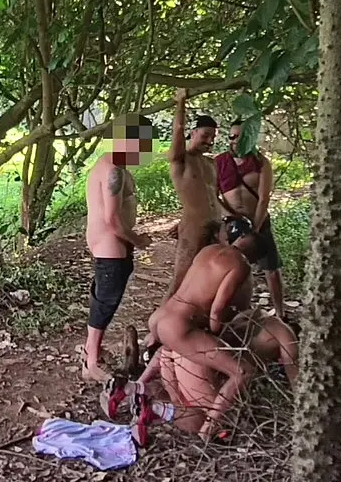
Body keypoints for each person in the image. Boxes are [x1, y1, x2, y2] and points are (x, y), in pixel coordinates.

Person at [107, 218, 264, 440]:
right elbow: (217, 310)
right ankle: (208, 430)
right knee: (242, 371)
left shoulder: (209, 250)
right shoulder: (241, 265)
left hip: (162, 317)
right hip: (179, 325)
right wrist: (216, 334)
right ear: (254, 257)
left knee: (171, 349)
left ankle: (132, 389)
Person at [120, 308, 298, 445]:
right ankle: (157, 410)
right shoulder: (285, 334)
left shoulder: (248, 314)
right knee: (218, 420)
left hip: (175, 352)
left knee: (178, 396)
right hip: (197, 368)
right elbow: (296, 386)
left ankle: (138, 388)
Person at [82, 113, 155, 382]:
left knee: (105, 299)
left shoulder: (114, 165)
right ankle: (91, 362)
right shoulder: (113, 170)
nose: (145, 150)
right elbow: (112, 219)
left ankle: (91, 353)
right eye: (143, 143)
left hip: (111, 243)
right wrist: (138, 240)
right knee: (105, 302)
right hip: (109, 243)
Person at [216, 119, 287, 318]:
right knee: (230, 268)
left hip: (258, 221)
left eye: (240, 136)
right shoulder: (219, 162)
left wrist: (255, 227)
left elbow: (264, 198)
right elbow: (213, 196)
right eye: (231, 136)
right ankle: (230, 312)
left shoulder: (261, 163)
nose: (234, 140)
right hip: (231, 225)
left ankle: (280, 313)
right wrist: (230, 217)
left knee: (271, 269)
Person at [164, 88, 223, 304]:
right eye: (205, 135)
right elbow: (178, 129)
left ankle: (193, 317)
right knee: (180, 280)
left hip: (216, 226)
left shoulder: (210, 163)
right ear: (193, 132)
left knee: (209, 278)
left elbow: (212, 197)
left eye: (213, 137)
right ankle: (159, 322)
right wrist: (181, 101)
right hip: (195, 227)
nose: (209, 141)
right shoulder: (180, 159)